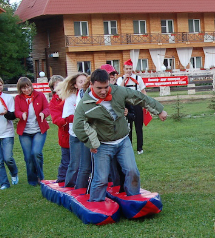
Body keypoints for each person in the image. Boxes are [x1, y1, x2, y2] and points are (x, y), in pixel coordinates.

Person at [73, 68, 167, 202]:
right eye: (99, 88)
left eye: (106, 87)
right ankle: (96, 204)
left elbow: (139, 97)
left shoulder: (118, 92)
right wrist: (91, 143)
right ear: (91, 85)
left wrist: (159, 110)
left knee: (132, 171)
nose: (103, 91)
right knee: (101, 178)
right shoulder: (84, 104)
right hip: (102, 145)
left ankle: (134, 200)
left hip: (123, 140)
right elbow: (78, 126)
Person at [14, 77, 50, 186]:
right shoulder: (18, 98)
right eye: (23, 88)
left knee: (36, 153)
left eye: (28, 87)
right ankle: (32, 180)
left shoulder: (40, 95)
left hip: (39, 130)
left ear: (31, 86)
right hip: (25, 132)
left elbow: (47, 108)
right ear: (20, 89)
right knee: (28, 157)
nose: (26, 90)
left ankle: (40, 176)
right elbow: (16, 112)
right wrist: (21, 115)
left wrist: (43, 113)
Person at [59, 72, 92, 189]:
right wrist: (81, 116)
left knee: (86, 164)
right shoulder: (71, 98)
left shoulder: (90, 95)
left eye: (85, 81)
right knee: (75, 163)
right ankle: (69, 186)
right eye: (80, 82)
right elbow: (67, 117)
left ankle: (82, 185)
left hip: (88, 134)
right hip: (76, 135)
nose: (83, 84)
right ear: (75, 85)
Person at [116, 59, 147, 154]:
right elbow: (118, 90)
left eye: (130, 68)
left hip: (137, 104)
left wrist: (145, 104)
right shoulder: (120, 79)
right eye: (127, 69)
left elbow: (143, 91)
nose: (129, 70)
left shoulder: (138, 78)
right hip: (127, 106)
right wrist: (124, 79)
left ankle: (140, 148)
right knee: (128, 127)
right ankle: (128, 148)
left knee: (138, 127)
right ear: (124, 69)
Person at [48, 75, 69, 183]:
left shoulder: (71, 96)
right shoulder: (54, 102)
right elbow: (56, 119)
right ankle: (61, 179)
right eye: (56, 85)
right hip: (65, 134)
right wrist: (69, 119)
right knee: (66, 160)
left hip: (78, 133)